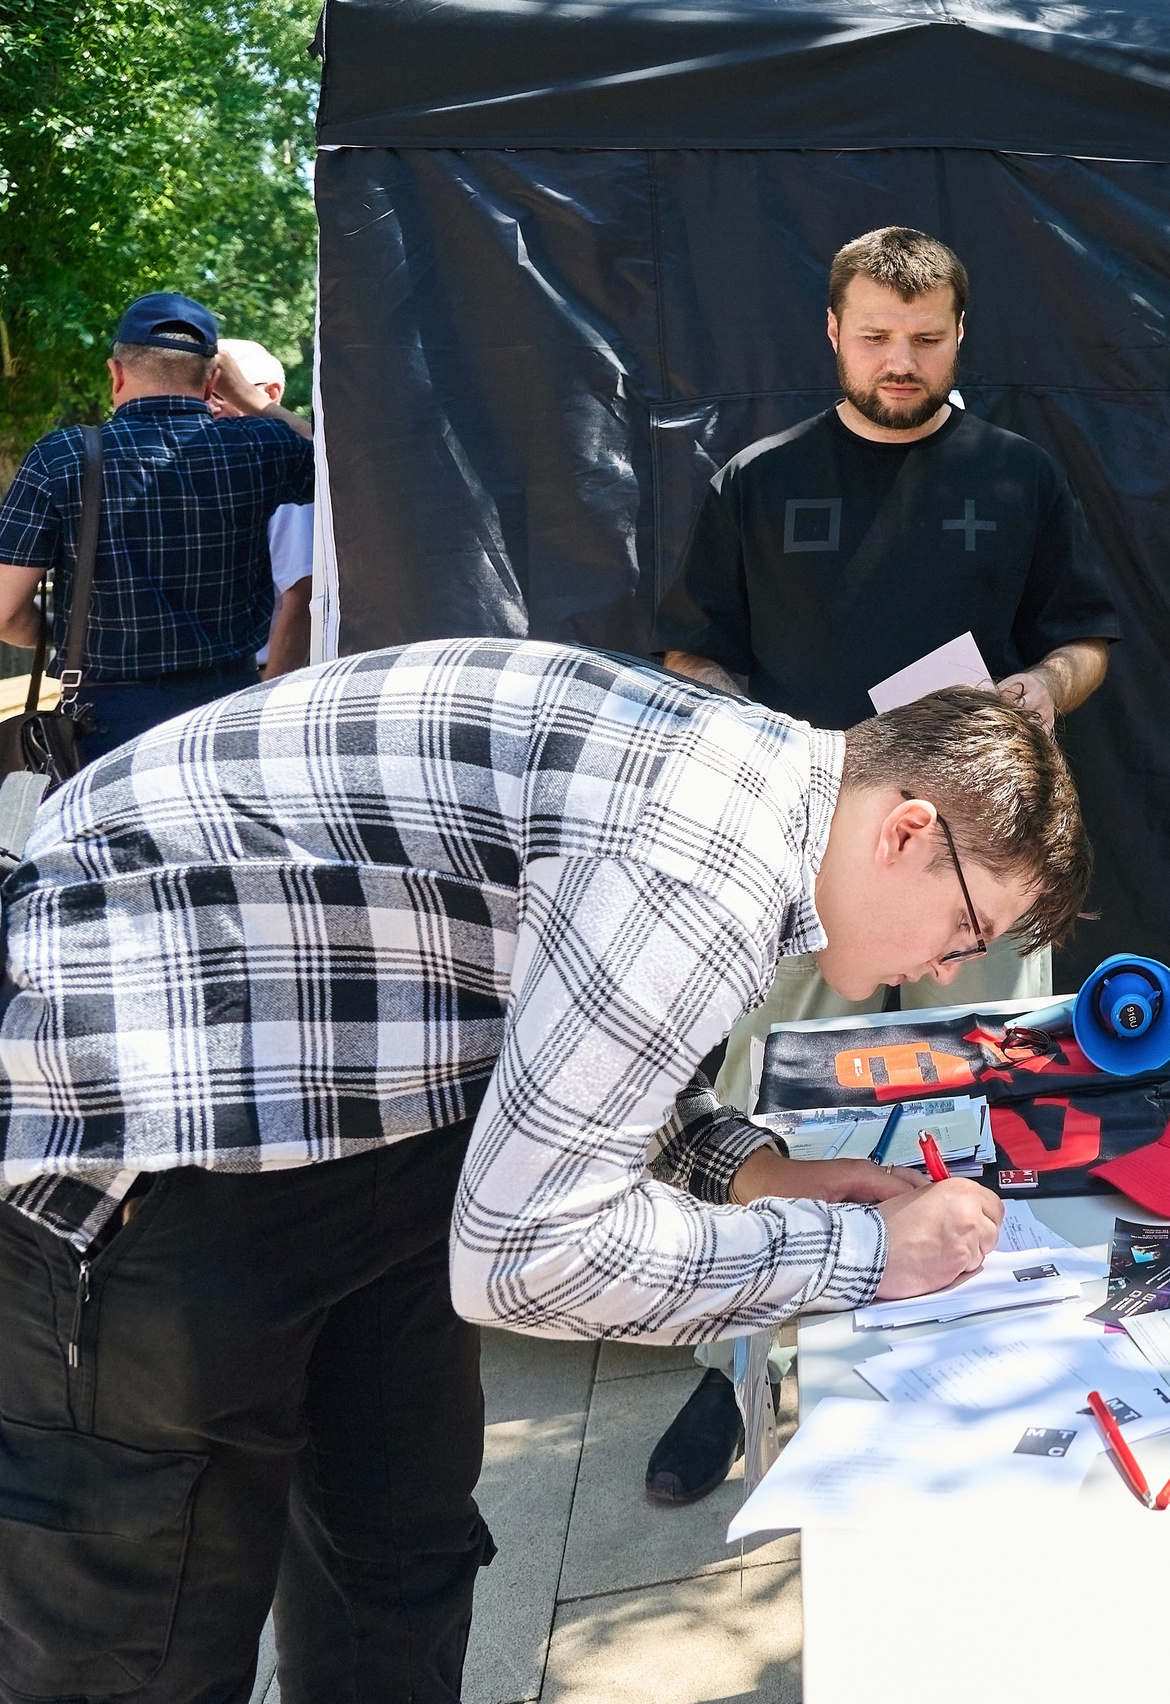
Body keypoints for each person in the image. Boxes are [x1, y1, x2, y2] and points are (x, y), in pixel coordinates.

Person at [0, 639, 1081, 1703]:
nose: (941, 971)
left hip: (372, 1110)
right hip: (146, 1140)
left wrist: (762, 1174)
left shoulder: (749, 784)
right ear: (905, 830)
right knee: (146, 1638)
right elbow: (526, 1256)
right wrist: (866, 1252)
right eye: (962, 932)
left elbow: (578, 1046)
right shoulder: (702, 858)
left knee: (397, 1555)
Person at [647, 225, 1121, 1501]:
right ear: (833, 335)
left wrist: (1041, 687)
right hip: (801, 864)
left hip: (987, 857)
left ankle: (999, 1344)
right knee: (774, 1107)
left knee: (999, 1097)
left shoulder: (1016, 474)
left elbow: (1088, 640)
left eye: (923, 339)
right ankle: (732, 1371)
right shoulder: (757, 478)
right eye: (875, 338)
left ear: (960, 334)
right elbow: (690, 654)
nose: (898, 361)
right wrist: (751, 732)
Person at [0, 292, 314, 757]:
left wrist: (62, 627)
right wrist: (253, 400)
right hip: (230, 710)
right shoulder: (260, 448)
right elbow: (344, 461)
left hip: (105, 720)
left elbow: (4, 612)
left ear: (116, 374)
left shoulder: (61, 459)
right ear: (213, 383)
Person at [208, 338, 316, 678]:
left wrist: (265, 696)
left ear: (269, 393)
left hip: (260, 680)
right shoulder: (222, 464)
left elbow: (302, 598)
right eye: (199, 394)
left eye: (221, 392)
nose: (208, 407)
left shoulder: (280, 469)